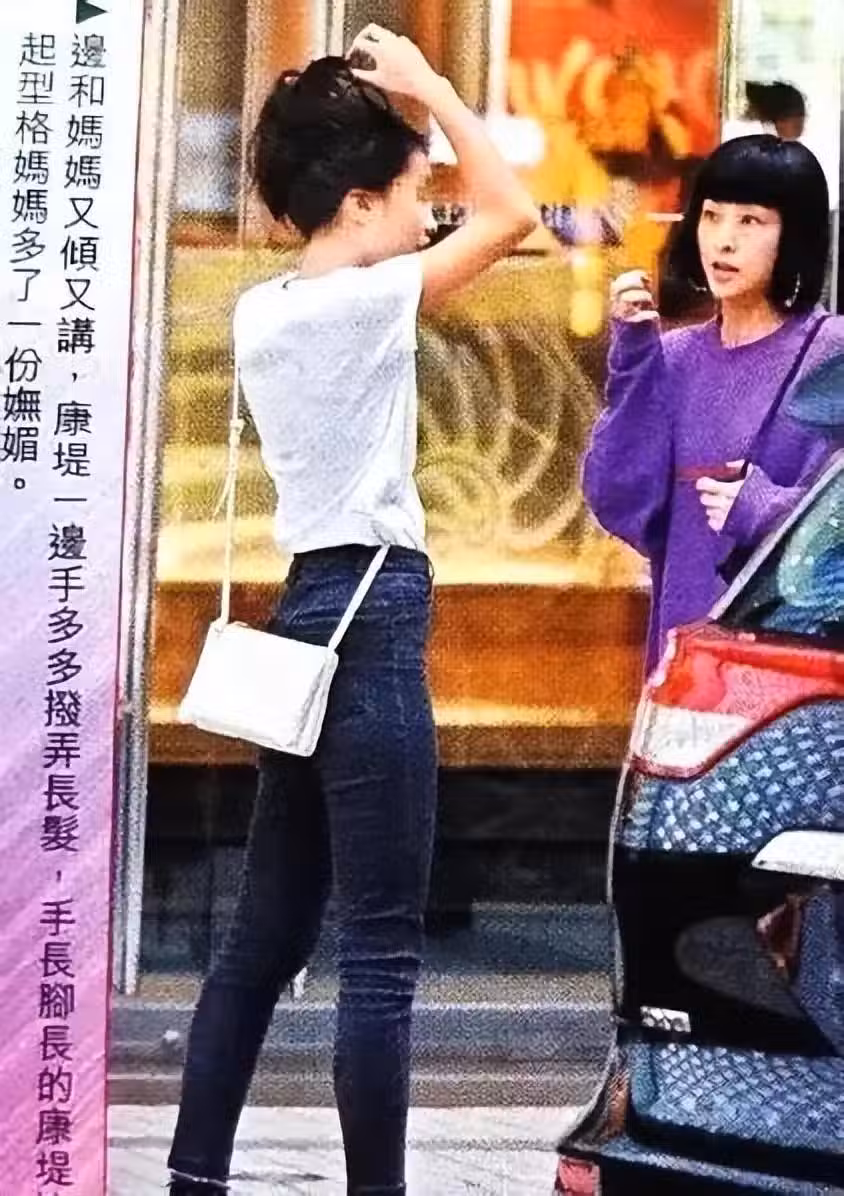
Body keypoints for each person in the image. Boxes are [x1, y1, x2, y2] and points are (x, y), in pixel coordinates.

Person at [166, 24, 538, 1196]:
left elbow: (473, 215)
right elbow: (513, 213)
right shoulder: (360, 303)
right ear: (361, 201)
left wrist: (414, 119)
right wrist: (435, 91)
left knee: (262, 938)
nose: (429, 216)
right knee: (380, 949)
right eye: (415, 195)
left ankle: (192, 1177)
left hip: (307, 615)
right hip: (370, 622)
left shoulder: (266, 309)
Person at [582, 134, 844, 675]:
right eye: (711, 215)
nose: (723, 241)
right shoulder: (675, 357)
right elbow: (622, 502)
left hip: (796, 677)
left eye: (750, 221)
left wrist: (768, 511)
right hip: (688, 669)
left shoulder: (832, 353)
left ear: (794, 234)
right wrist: (634, 360)